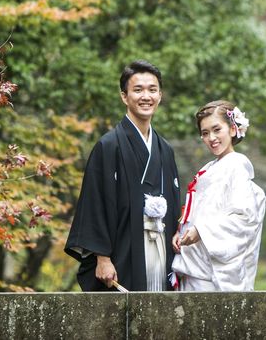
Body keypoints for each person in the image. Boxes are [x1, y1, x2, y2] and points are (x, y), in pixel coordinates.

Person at [64, 60, 180, 291]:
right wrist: (102, 258)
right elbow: (95, 204)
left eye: (152, 89)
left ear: (160, 96)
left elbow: (175, 204)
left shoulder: (165, 149)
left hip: (161, 246)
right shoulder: (108, 146)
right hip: (123, 252)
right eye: (138, 90)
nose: (146, 96)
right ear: (124, 97)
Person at [171, 100, 266, 291]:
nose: (211, 138)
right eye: (205, 133)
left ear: (232, 129)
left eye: (217, 130)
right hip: (195, 266)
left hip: (213, 274)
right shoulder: (209, 168)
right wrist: (181, 232)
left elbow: (244, 218)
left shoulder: (237, 166)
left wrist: (201, 231)